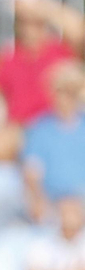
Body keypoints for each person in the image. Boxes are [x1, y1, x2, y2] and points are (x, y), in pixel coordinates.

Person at [0, 0, 83, 164]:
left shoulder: (60, 52)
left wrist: (44, 8)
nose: (28, 28)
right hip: (18, 128)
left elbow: (79, 31)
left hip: (51, 126)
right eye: (22, 22)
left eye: (34, 22)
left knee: (1, 146)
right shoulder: (8, 57)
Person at [23, 60, 85, 210]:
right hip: (54, 205)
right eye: (59, 91)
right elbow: (32, 173)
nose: (64, 98)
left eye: (70, 92)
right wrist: (39, 202)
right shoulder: (40, 129)